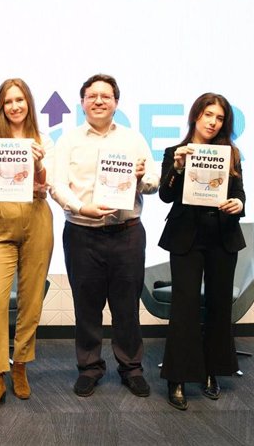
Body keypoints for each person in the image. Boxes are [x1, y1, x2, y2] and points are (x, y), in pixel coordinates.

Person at [50, 74, 159, 398]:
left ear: (116, 102)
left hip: (126, 234)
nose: (99, 101)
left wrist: (142, 178)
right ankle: (90, 367)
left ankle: (131, 368)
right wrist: (81, 208)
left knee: (127, 307)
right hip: (82, 234)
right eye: (92, 95)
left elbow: (153, 181)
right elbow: (57, 185)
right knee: (87, 306)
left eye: (106, 96)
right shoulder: (68, 140)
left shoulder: (133, 139)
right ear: (82, 102)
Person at [158, 92, 246, 411]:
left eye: (220, 117)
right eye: (208, 114)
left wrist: (239, 204)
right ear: (196, 115)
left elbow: (239, 194)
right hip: (186, 237)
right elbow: (165, 196)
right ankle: (177, 378)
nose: (213, 121)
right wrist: (178, 167)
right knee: (185, 306)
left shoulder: (231, 154)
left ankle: (211, 371)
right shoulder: (175, 152)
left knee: (219, 306)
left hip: (223, 237)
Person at [0, 79, 54, 415]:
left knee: (31, 299)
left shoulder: (43, 139)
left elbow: (48, 183)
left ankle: (20, 364)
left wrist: (38, 164)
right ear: (1, 106)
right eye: (8, 101)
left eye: (20, 100)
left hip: (37, 219)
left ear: (28, 103)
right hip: (0, 223)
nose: (15, 106)